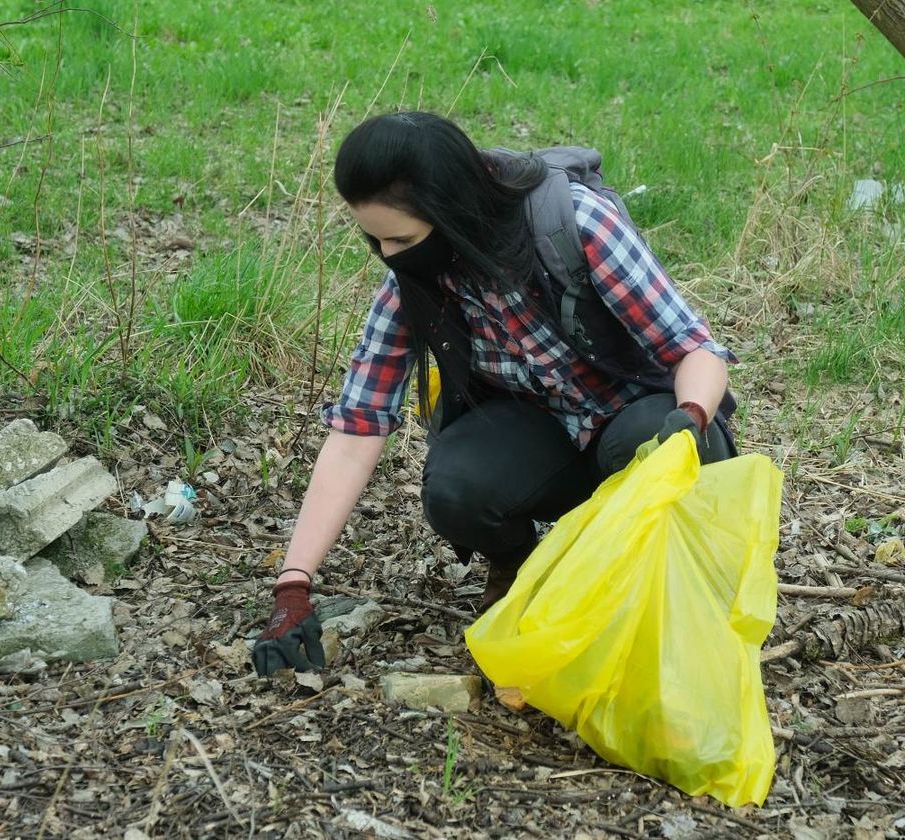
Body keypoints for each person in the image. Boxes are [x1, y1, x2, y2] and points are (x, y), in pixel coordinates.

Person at [252, 111, 738, 677]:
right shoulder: (413, 283)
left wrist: (691, 416)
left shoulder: (573, 225)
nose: (388, 255)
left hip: (643, 415)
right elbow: (358, 426)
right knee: (455, 487)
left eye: (400, 238)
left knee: (642, 447)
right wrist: (294, 585)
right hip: (545, 435)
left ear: (450, 207)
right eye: (374, 238)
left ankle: (664, 592)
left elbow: (694, 349)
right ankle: (519, 566)